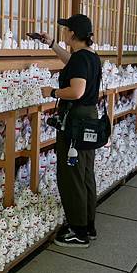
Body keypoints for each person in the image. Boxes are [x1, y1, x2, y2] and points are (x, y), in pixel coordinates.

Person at [37, 14, 101, 248]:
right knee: (84, 172)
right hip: (88, 119)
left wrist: (52, 92)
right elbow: (72, 63)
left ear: (73, 34)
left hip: (76, 121)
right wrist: (52, 44)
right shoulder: (89, 56)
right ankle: (87, 224)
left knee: (71, 174)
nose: (64, 34)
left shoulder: (80, 59)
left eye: (66, 31)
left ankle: (78, 231)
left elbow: (76, 91)